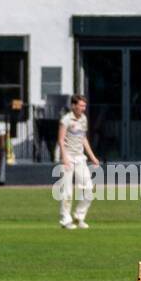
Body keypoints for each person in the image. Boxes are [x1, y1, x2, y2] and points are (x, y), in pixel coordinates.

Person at [57, 94, 99, 229]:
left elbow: (83, 139)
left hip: (80, 157)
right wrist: (64, 157)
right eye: (81, 106)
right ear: (73, 106)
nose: (83, 108)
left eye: (84, 106)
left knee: (89, 188)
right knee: (67, 192)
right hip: (67, 157)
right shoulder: (66, 120)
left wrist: (92, 157)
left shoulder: (84, 119)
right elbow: (61, 140)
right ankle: (66, 220)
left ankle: (79, 217)